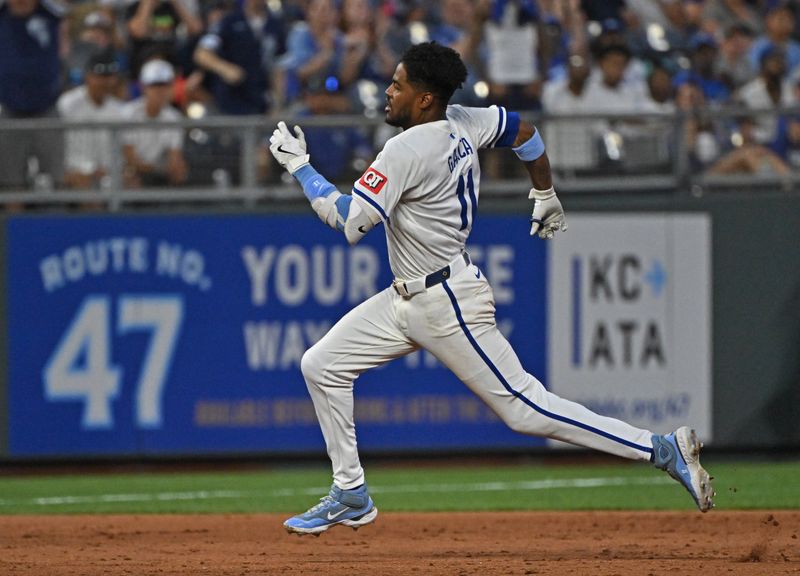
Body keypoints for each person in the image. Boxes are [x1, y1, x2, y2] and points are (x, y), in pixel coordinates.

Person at [268, 41, 715, 537]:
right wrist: (544, 190)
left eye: (399, 85)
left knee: (525, 409)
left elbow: (350, 223)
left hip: (446, 301)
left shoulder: (407, 147)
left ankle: (660, 448)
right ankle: (350, 492)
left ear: (425, 100)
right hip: (406, 297)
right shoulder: (465, 121)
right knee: (322, 364)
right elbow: (525, 131)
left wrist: (300, 167)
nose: (389, 93)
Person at [0, 0, 66, 191]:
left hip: (46, 109)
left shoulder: (50, 13)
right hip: (10, 110)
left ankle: (57, 218)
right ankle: (10, 220)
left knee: (56, 178)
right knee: (10, 181)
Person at [57, 48, 126, 190]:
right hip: (74, 171)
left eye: (109, 77)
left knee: (131, 183)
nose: (105, 82)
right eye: (100, 77)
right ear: (88, 76)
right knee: (84, 185)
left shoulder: (118, 110)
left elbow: (121, 152)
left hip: (108, 173)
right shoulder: (68, 104)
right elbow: (56, 145)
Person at [121, 58, 188, 186]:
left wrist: (174, 167)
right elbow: (129, 158)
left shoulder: (173, 117)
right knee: (130, 177)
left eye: (165, 85)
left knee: (179, 172)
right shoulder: (128, 113)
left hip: (155, 172)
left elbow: (175, 156)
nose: (160, 91)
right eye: (155, 86)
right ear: (143, 87)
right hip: (127, 171)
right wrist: (157, 169)